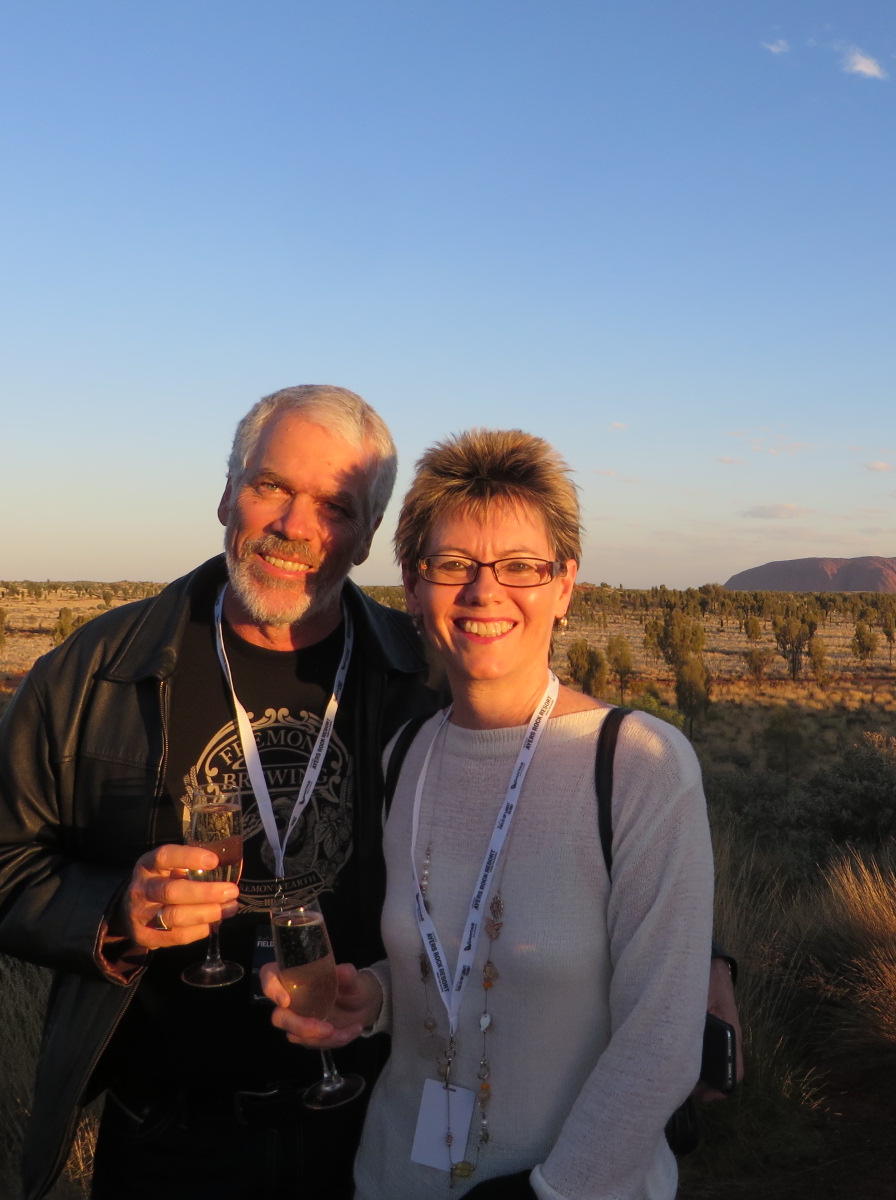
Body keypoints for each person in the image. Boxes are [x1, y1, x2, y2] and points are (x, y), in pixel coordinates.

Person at [0, 385, 436, 1200]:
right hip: (165, 1140)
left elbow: (516, 849)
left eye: (335, 506)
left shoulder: (420, 680)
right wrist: (115, 914)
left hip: (372, 1130)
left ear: (366, 536)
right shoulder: (96, 669)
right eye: (272, 485)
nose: (295, 526)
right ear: (227, 493)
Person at [264, 428, 714, 1200]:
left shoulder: (637, 764)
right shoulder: (405, 756)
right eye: (452, 564)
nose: (484, 591)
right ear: (414, 588)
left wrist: (550, 1193)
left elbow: (661, 1045)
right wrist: (375, 997)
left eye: (521, 566)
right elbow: (452, 962)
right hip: (395, 1177)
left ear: (564, 586)